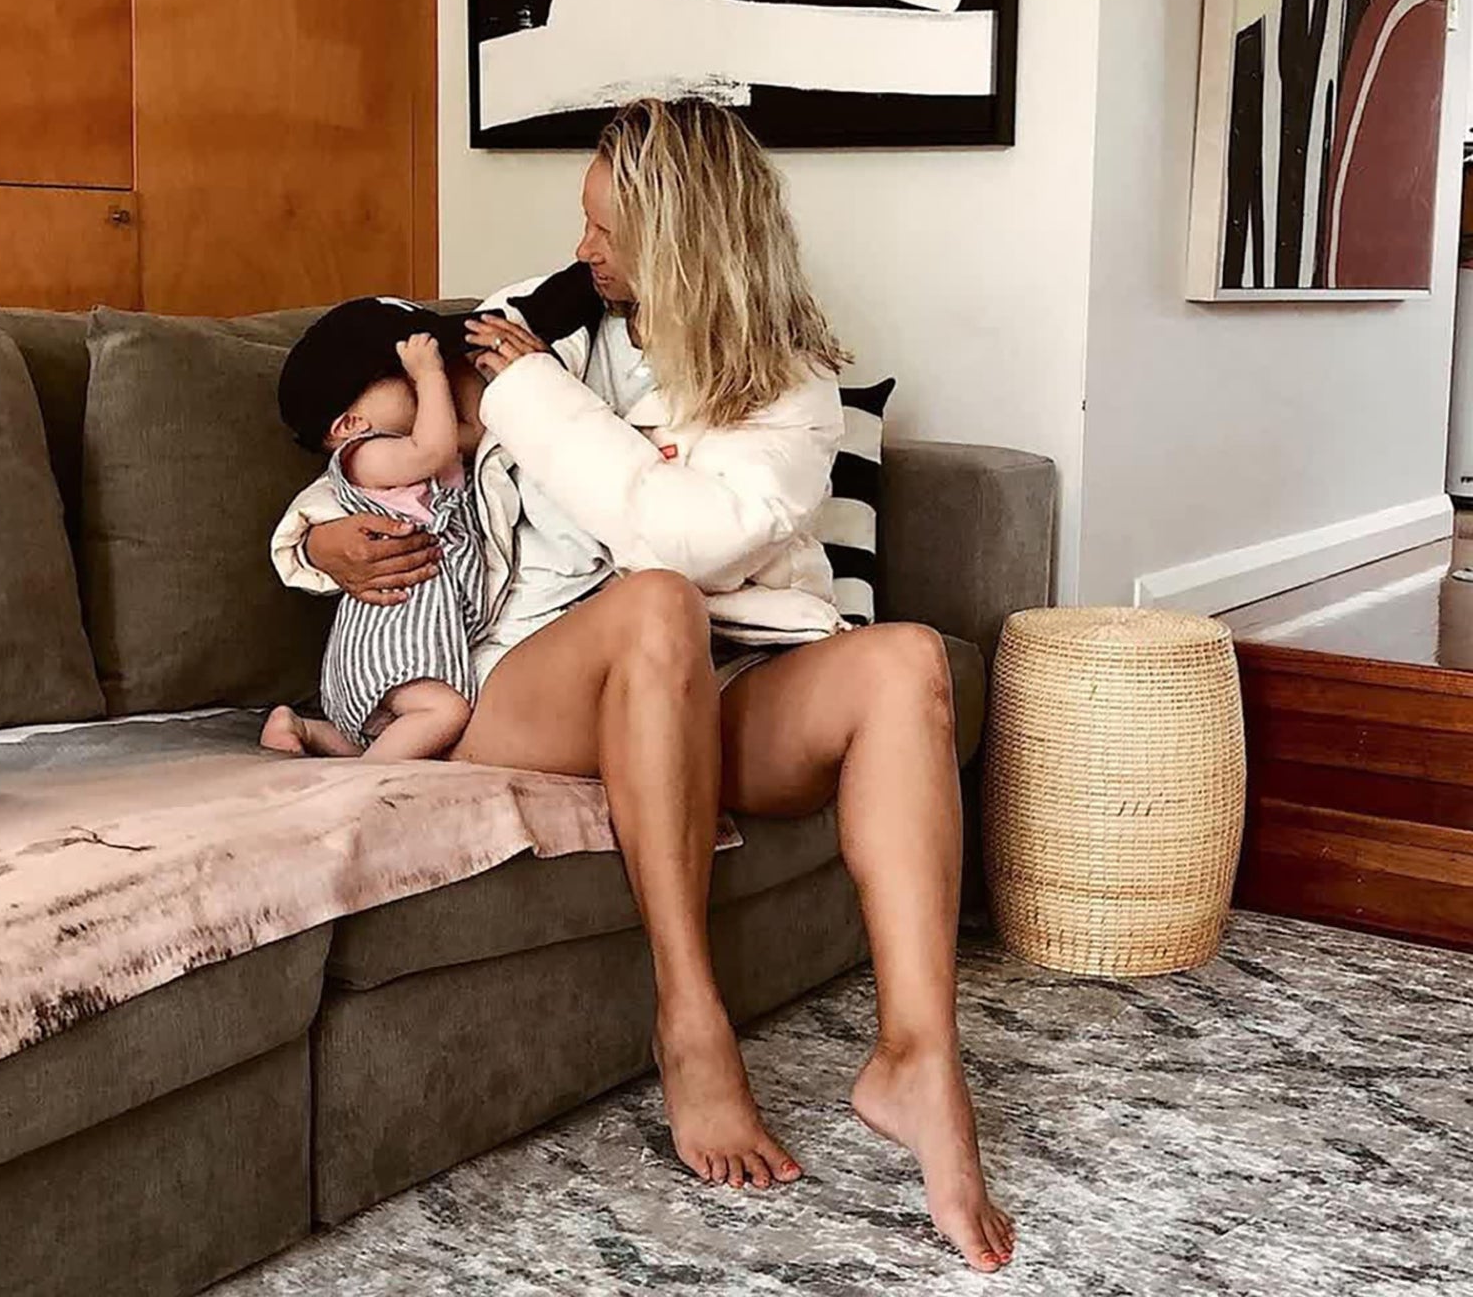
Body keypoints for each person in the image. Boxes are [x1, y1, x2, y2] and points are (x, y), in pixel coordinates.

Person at [270, 98, 1016, 1272]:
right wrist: (312, 547)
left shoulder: (790, 387)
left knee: (906, 660)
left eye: (606, 229)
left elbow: (691, 536)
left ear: (684, 237)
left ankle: (920, 1057)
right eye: (582, 223)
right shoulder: (537, 324)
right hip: (519, 680)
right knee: (653, 608)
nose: (583, 252)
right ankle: (692, 1020)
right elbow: (366, 453)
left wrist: (532, 396)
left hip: (705, 683)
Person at [262, 300, 486, 763]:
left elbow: (477, 436)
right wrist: (427, 375)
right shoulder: (364, 455)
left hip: (420, 636)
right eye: (401, 377)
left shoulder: (404, 450)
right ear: (350, 425)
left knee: (387, 732)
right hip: (390, 636)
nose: (425, 385)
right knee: (446, 712)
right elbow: (436, 448)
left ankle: (303, 727)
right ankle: (365, 789)